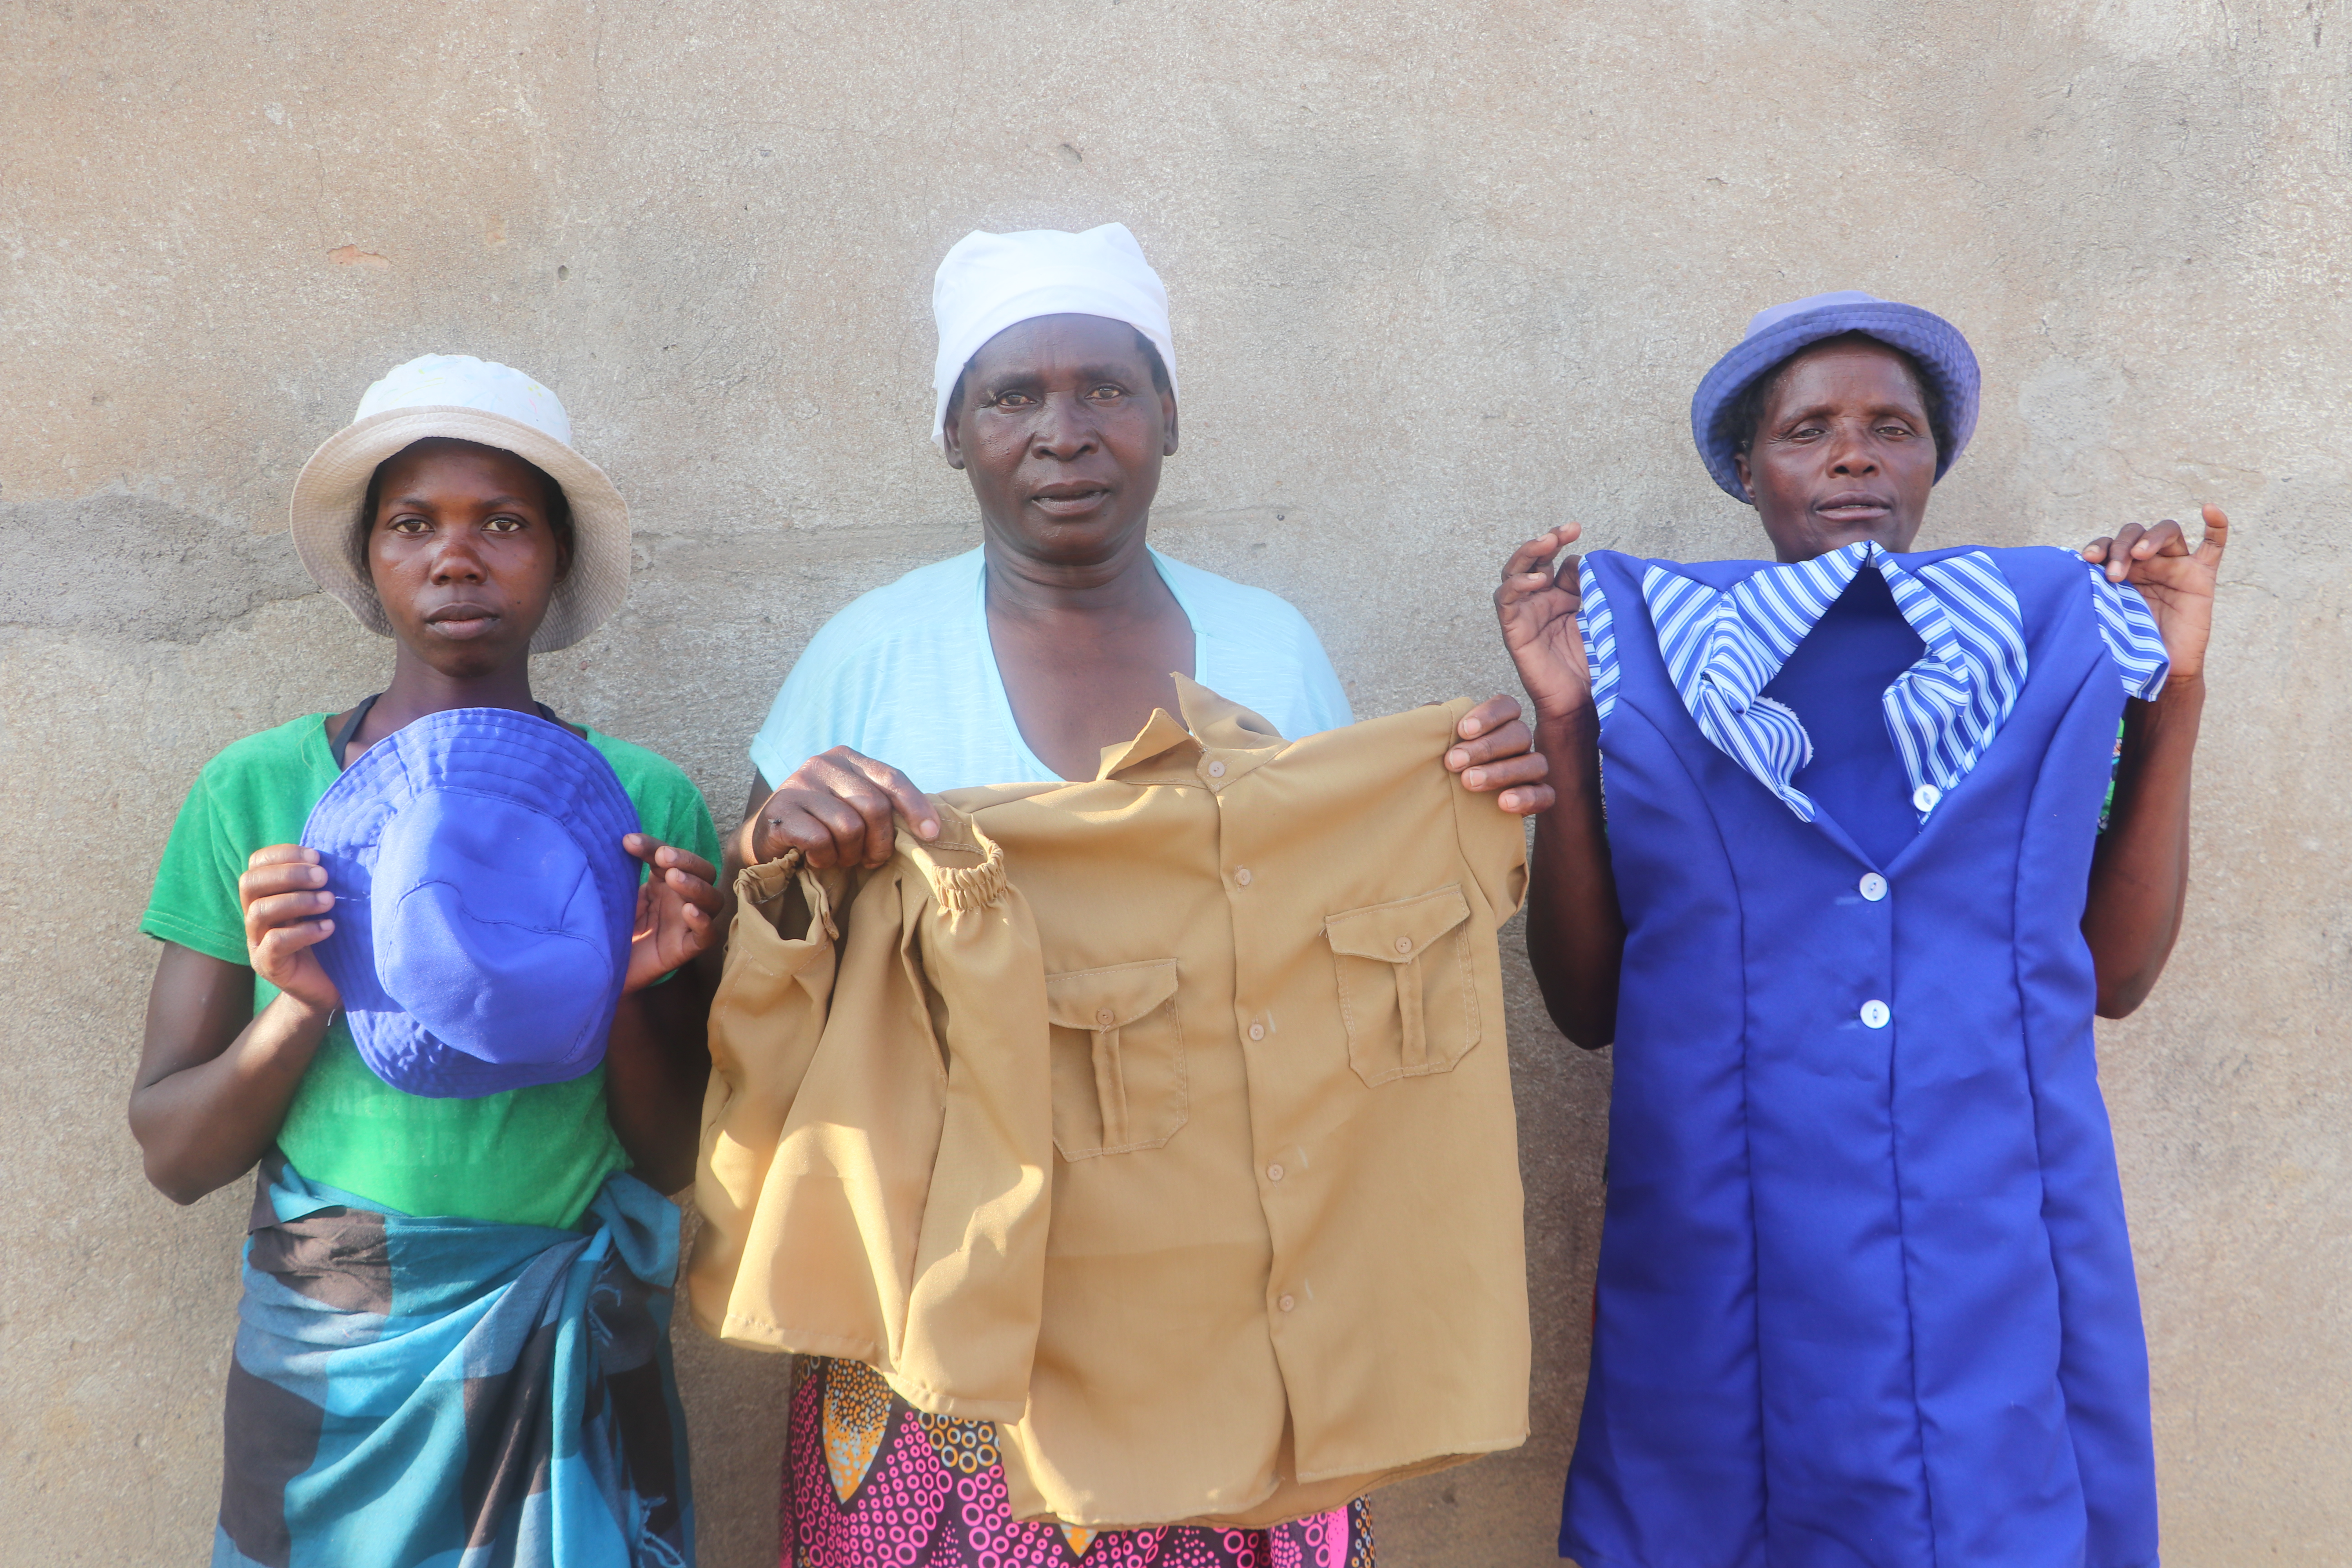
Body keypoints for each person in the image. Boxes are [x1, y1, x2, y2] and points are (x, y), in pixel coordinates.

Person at [728, 224, 1553, 1568]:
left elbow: (1329, 957)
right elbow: (765, 965)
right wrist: (781, 845)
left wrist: (1476, 787)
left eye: (1106, 389)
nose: (1063, 431)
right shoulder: (869, 659)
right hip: (953, 1343)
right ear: (956, 434)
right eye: (1012, 396)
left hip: (1243, 1328)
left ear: (1166, 417)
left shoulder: (1268, 651)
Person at [1495, 292, 2223, 1568]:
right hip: (1727, 1241)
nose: (1852, 454)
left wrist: (2174, 688)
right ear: (1745, 468)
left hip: (1997, 1234)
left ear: (1936, 462)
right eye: (1808, 430)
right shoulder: (1648, 666)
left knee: (2003, 1510)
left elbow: (2114, 976)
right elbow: (1587, 1006)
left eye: (1892, 427)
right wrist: (1565, 719)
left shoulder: (2051, 652)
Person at [132, 355, 723, 1568]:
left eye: (504, 523)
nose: (458, 557)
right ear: (370, 560)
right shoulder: (257, 793)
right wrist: (299, 1010)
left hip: (566, 1336)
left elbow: (675, 1159)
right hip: (334, 1360)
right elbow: (173, 1152)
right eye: (414, 525)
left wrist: (615, 991)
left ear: (553, 562)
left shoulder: (643, 806)